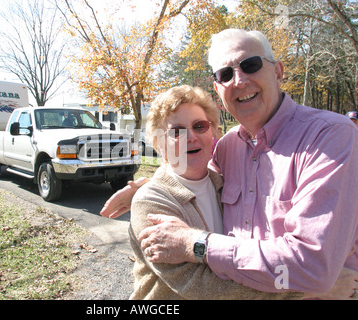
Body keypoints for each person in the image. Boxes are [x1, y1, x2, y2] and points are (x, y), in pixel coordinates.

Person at [101, 28, 358, 298]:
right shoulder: (228, 148)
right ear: (218, 90)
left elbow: (313, 267)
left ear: (278, 72)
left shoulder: (329, 137)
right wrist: (144, 188)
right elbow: (198, 281)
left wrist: (195, 243)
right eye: (226, 74)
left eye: (251, 65)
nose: (239, 80)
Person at [129, 84, 304, 299]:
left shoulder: (224, 185)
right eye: (177, 131)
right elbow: (199, 284)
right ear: (160, 144)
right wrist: (301, 288)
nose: (191, 136)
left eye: (199, 126)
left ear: (212, 132)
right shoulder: (151, 202)